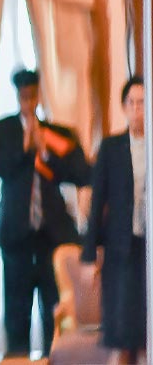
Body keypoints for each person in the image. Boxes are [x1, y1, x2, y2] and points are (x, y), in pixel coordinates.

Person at [0, 68, 91, 358]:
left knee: (54, 311)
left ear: (39, 96)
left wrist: (46, 153)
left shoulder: (58, 134)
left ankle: (53, 359)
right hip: (16, 237)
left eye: (32, 96)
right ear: (17, 96)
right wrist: (25, 148)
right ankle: (17, 360)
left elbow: (83, 174)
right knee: (16, 312)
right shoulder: (2, 131)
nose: (28, 102)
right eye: (23, 96)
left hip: (52, 237)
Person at [82, 76, 146, 364]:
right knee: (120, 335)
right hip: (120, 251)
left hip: (147, 250)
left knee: (145, 338)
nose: (137, 109)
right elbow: (97, 203)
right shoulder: (111, 148)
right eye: (131, 103)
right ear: (124, 107)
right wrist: (89, 256)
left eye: (142, 103)